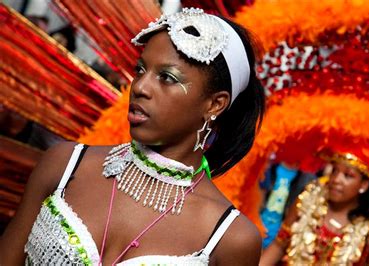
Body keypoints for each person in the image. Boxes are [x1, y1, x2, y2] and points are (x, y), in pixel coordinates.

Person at [0, 7, 265, 265]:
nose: (140, 87)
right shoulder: (65, 165)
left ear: (214, 104)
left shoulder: (231, 239)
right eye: (140, 70)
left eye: (167, 78)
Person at [260, 152, 369, 265]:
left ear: (364, 185)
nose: (336, 179)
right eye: (334, 171)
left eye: (348, 175)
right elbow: (279, 245)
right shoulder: (307, 200)